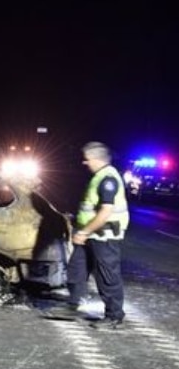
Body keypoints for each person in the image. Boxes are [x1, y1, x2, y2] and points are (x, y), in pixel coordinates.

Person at [66, 141, 129, 330]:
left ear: (96, 159)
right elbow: (91, 208)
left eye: (87, 160)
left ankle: (114, 316)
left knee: (107, 276)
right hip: (90, 235)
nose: (85, 163)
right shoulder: (98, 177)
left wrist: (84, 231)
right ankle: (74, 305)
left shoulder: (107, 179)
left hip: (104, 236)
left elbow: (105, 212)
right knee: (77, 268)